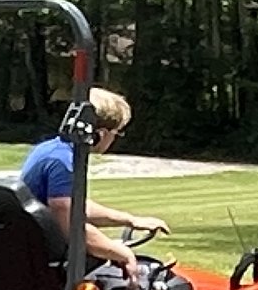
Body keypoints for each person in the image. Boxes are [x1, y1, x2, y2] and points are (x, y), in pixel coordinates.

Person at [18, 89, 167, 279]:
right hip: (44, 266)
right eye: (117, 133)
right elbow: (71, 226)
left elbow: (76, 206)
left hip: (32, 251)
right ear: (101, 134)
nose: (115, 139)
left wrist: (130, 220)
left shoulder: (49, 149)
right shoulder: (64, 162)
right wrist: (120, 252)